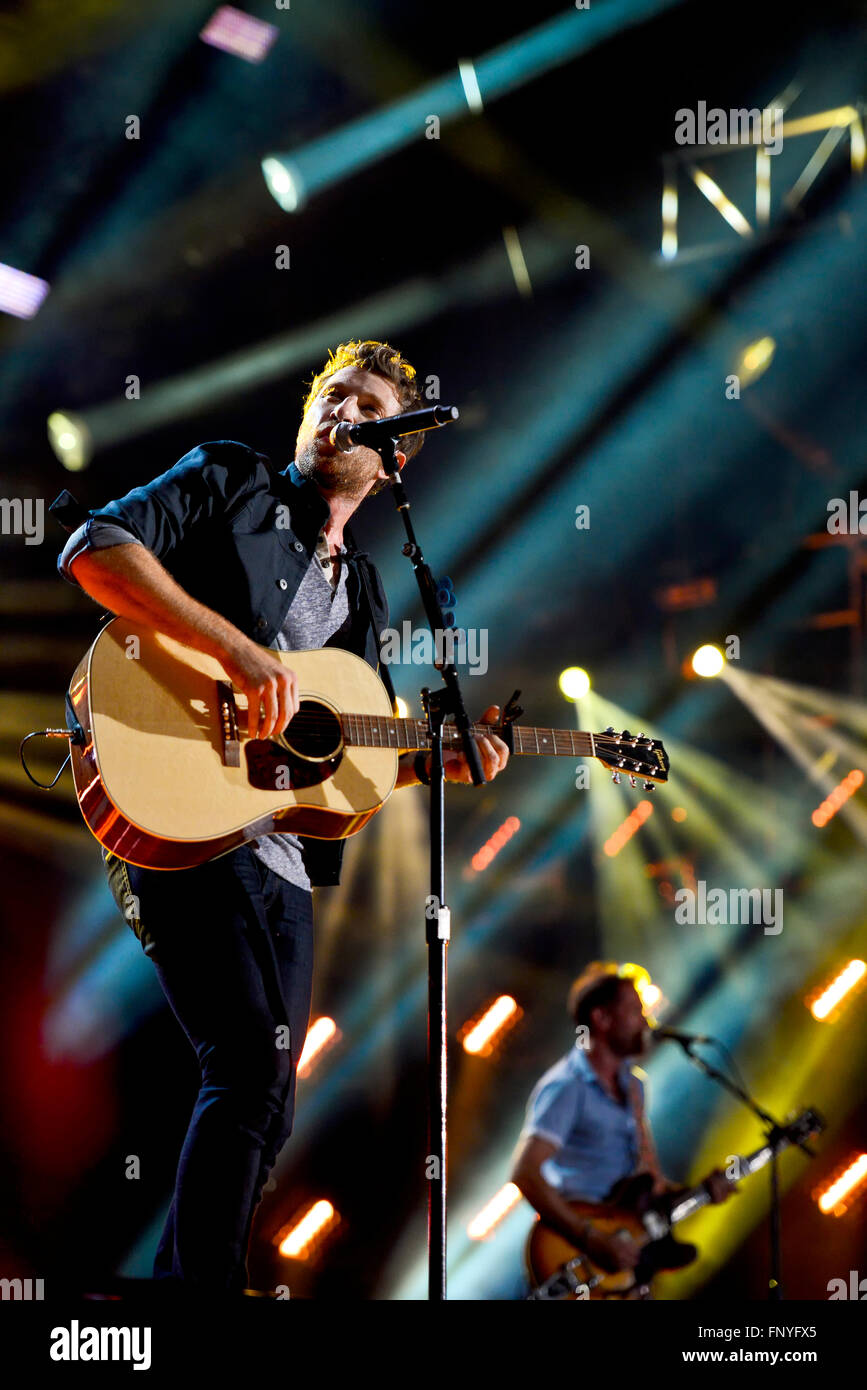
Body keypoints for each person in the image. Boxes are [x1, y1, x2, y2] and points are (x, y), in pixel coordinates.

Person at [57, 339, 510, 1295]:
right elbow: (93, 549)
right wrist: (239, 653)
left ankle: (186, 1279)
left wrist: (440, 763)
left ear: (392, 457)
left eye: (363, 403)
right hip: (178, 809)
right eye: (329, 394)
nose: (337, 409)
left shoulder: (373, 591)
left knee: (273, 1099)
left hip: (283, 862)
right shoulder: (232, 479)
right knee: (248, 1069)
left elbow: (342, 762)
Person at [510, 963, 734, 1290]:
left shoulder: (634, 1086)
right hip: (580, 1257)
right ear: (602, 1020)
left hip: (629, 1261)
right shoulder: (567, 1087)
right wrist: (592, 1239)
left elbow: (648, 1183)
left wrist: (700, 1191)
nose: (645, 1021)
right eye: (634, 1011)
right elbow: (524, 1173)